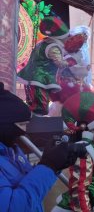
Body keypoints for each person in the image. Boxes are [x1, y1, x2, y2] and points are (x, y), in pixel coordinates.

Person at [0, 82, 79, 212]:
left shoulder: (11, 150)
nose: (25, 131)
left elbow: (25, 183)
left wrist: (55, 164)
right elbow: (12, 207)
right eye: (22, 125)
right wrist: (48, 166)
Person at [17, 16, 70, 116]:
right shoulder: (53, 47)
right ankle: (38, 128)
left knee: (35, 105)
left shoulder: (43, 43)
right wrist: (70, 62)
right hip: (39, 80)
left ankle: (35, 125)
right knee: (40, 107)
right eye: (67, 37)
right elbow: (60, 63)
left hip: (33, 79)